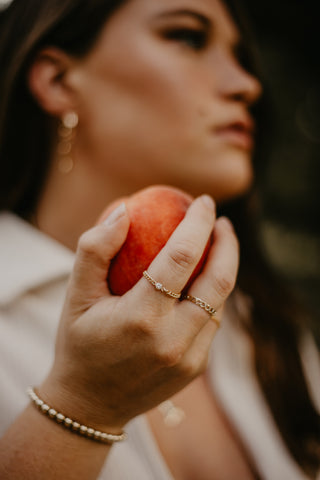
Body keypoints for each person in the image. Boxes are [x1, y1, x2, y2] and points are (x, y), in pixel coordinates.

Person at [0, 0, 319, 479]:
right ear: (58, 81)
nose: (248, 84)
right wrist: (84, 407)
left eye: (239, 54)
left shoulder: (264, 325)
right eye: (188, 37)